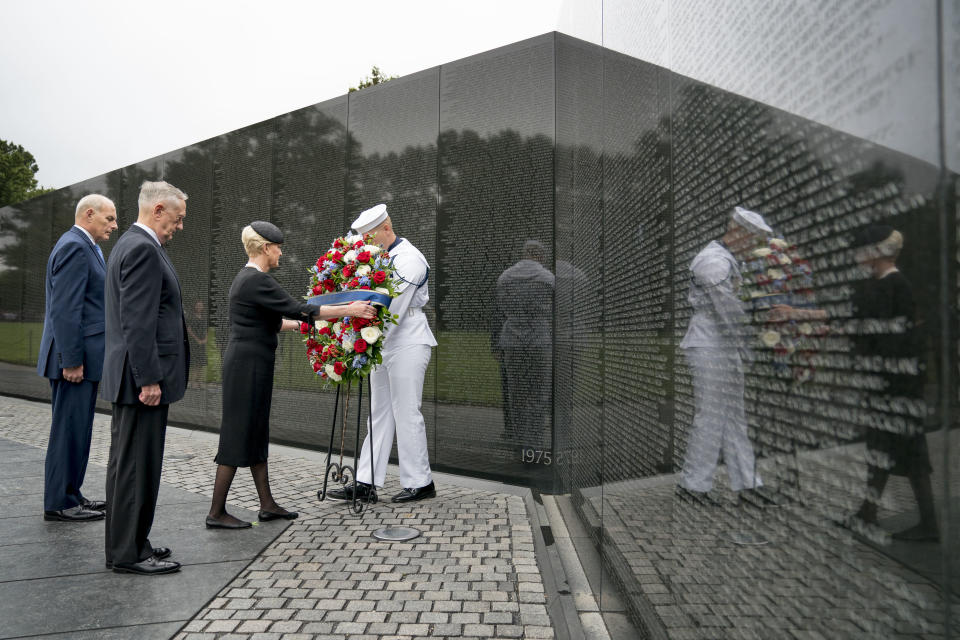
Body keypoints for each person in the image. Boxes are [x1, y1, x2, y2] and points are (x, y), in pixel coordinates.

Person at [206, 221, 376, 529]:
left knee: (256, 431)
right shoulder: (257, 281)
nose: (281, 253)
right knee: (237, 432)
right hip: (248, 367)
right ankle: (216, 512)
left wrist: (303, 327)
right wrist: (350, 309)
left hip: (249, 364)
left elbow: (274, 322)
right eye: (278, 248)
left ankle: (267, 505)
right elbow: (301, 309)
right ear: (266, 248)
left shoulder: (248, 280)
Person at [773, 226, 938, 541]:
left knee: (905, 452)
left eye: (862, 253)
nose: (858, 258)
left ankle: (923, 523)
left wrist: (797, 314)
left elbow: (852, 319)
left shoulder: (891, 286)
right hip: (893, 383)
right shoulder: (885, 285)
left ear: (875, 253)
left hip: (895, 385)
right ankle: (870, 512)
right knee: (886, 448)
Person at [101, 181, 189, 575]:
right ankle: (128, 554)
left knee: (132, 465)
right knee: (136, 467)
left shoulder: (132, 245)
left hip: (136, 378)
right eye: (178, 218)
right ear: (158, 210)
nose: (180, 226)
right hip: (142, 382)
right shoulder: (141, 248)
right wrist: (148, 379)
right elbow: (138, 321)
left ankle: (134, 542)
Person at [328, 203, 439, 503]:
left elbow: (391, 311)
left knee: (406, 410)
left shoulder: (410, 259)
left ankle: (420, 482)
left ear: (387, 229)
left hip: (407, 340)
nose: (365, 245)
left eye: (370, 238)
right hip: (379, 342)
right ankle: (366, 482)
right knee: (378, 414)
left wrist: (356, 340)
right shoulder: (379, 257)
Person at [677, 207, 769, 504]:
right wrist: (753, 335)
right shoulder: (713, 261)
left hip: (724, 345)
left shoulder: (724, 259)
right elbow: (727, 310)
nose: (754, 246)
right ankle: (694, 484)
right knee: (711, 415)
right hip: (709, 344)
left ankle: (747, 483)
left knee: (734, 418)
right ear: (738, 231)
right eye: (753, 239)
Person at [37, 194, 118, 522]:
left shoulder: (83, 246)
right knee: (68, 431)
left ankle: (72, 494)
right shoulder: (74, 246)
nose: (114, 225)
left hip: (81, 359)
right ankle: (60, 502)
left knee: (78, 430)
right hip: (74, 361)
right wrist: (71, 360)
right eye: (109, 219)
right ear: (89, 215)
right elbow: (66, 310)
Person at [491, 240, 554, 444]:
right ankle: (534, 441)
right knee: (538, 393)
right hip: (539, 339)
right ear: (541, 256)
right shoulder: (547, 278)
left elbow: (500, 308)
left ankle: (519, 441)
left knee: (517, 395)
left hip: (512, 339)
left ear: (524, 253)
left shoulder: (505, 277)